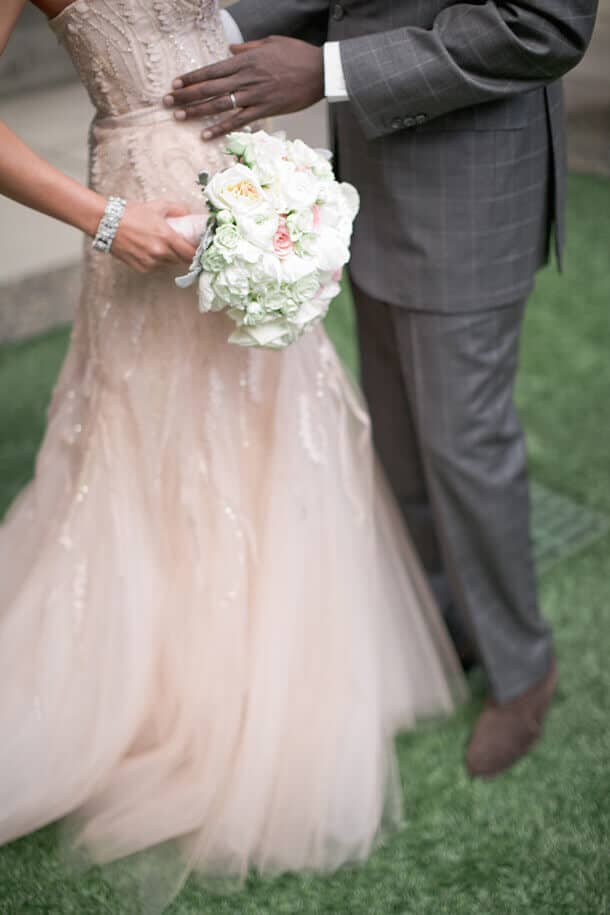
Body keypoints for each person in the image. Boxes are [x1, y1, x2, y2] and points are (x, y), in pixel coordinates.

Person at [0, 1, 465, 905]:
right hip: (145, 205)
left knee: (269, 424)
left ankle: (266, 694)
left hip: (248, 188)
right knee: (149, 439)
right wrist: (104, 219)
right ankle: (151, 700)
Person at [165, 0, 599, 778]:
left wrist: (331, 70)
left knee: (463, 442)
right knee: (398, 434)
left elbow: (545, 25)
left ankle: (522, 667)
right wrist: (220, 28)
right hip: (372, 169)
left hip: (469, 174)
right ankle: (442, 621)